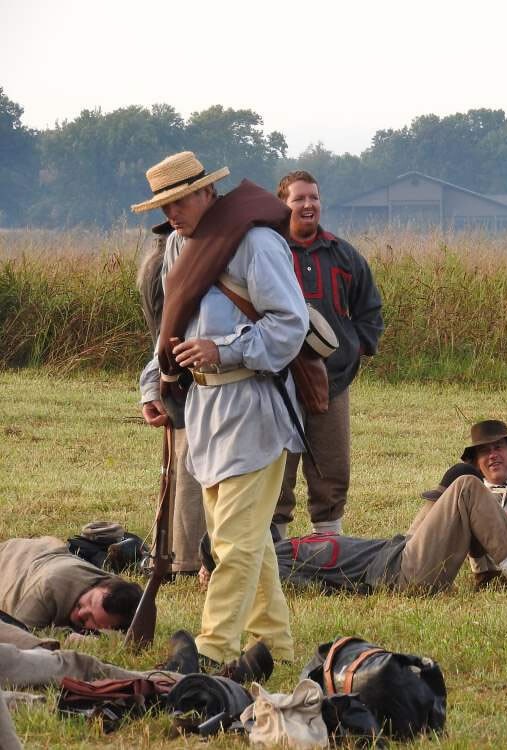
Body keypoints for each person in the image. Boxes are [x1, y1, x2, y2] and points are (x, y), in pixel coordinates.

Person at [133, 151, 308, 667]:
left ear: (207, 192)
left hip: (254, 407)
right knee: (248, 540)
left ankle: (212, 651)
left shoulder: (257, 244)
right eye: (164, 206)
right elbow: (173, 325)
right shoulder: (176, 247)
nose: (172, 213)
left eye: (180, 200)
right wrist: (153, 382)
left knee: (232, 543)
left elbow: (290, 325)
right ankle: (274, 644)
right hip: (205, 409)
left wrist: (223, 348)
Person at [201, 471, 507, 595]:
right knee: (467, 486)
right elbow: (310, 588)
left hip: (399, 549)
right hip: (399, 572)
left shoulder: (280, 546)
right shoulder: (273, 565)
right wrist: (221, 576)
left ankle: (485, 573)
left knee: (458, 475)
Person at [272, 171, 385, 538]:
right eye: (299, 198)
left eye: (314, 198)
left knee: (332, 466)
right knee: (277, 467)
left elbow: (370, 309)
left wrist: (354, 348)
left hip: (332, 380)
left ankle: (329, 543)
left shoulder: (342, 254)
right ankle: (276, 546)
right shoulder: (269, 252)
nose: (308, 205)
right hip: (278, 382)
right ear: (283, 204)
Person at [406, 420, 507, 584]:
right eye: (485, 451)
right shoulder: (477, 504)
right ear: (476, 463)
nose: (492, 455)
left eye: (498, 447)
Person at [136, 221, 206, 575]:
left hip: (175, 377)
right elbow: (166, 337)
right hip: (186, 378)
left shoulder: (157, 263)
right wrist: (156, 383)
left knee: (182, 465)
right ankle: (187, 558)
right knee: (189, 465)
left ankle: (177, 553)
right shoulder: (169, 265)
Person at [0, 537, 141, 631]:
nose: (82, 613)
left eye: (93, 620)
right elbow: (19, 637)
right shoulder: (48, 588)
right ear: (97, 585)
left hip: (39, 552)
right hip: (11, 559)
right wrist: (66, 633)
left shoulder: (114, 588)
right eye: (90, 601)